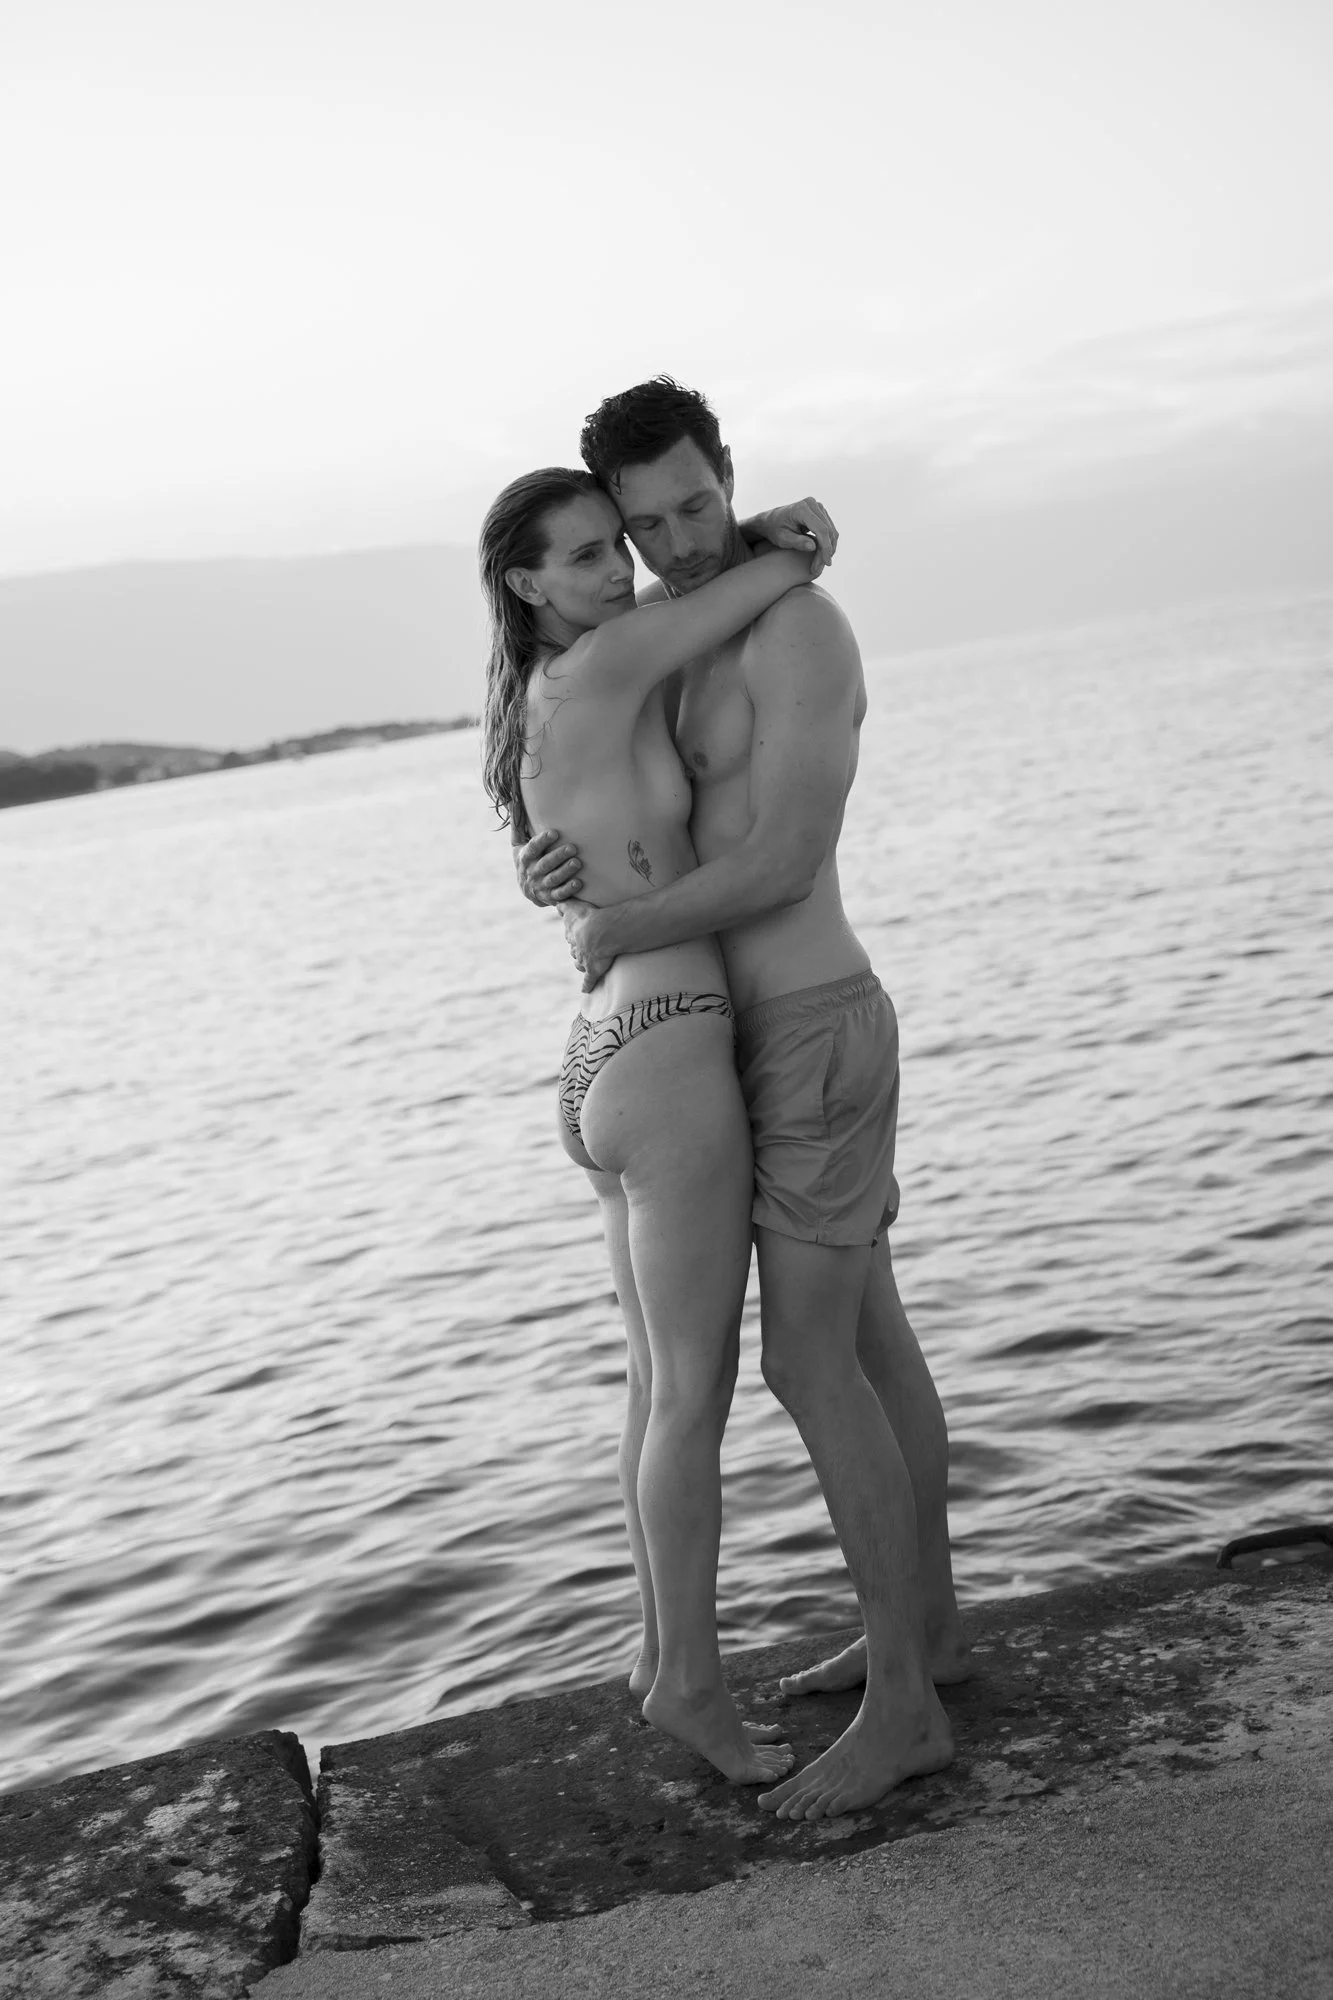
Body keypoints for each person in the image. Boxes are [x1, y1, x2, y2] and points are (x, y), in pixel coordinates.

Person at [516, 378, 967, 1820]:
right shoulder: (674, 644)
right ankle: (933, 1637)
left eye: (700, 502)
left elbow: (779, 861)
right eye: (646, 526)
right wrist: (553, 874)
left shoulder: (801, 632)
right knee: (877, 1346)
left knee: (807, 1366)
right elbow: (596, 795)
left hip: (816, 1027)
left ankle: (905, 1712)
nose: (679, 540)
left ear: (730, 471)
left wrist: (622, 934)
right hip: (738, 1043)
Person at [480, 465, 832, 1786]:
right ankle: (692, 1682)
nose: (617, 574)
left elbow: (567, 858)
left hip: (596, 1063)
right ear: (527, 584)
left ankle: (649, 1653)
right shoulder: (613, 661)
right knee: (692, 1394)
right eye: (582, 560)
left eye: (610, 551)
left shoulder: (531, 698)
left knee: (650, 1387)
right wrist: (793, 531)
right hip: (671, 1050)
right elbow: (767, 576)